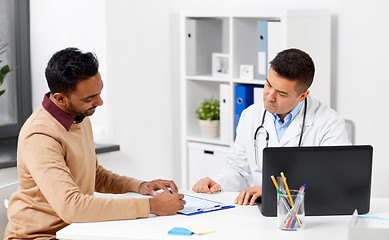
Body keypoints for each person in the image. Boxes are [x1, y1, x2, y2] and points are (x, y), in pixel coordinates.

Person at [4, 48, 185, 240]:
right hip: (39, 236)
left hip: (75, 230)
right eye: (90, 98)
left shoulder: (78, 117)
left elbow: (94, 174)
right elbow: (71, 207)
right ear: (59, 98)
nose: (100, 102)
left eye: (98, 93)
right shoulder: (40, 135)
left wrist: (140, 185)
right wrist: (152, 206)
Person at [192, 48, 350, 206]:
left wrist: (272, 191)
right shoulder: (250, 115)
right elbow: (239, 169)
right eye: (268, 85)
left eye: (281, 93)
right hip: (258, 212)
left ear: (302, 96)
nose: (269, 96)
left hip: (305, 213)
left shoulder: (329, 123)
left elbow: (335, 181)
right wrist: (217, 184)